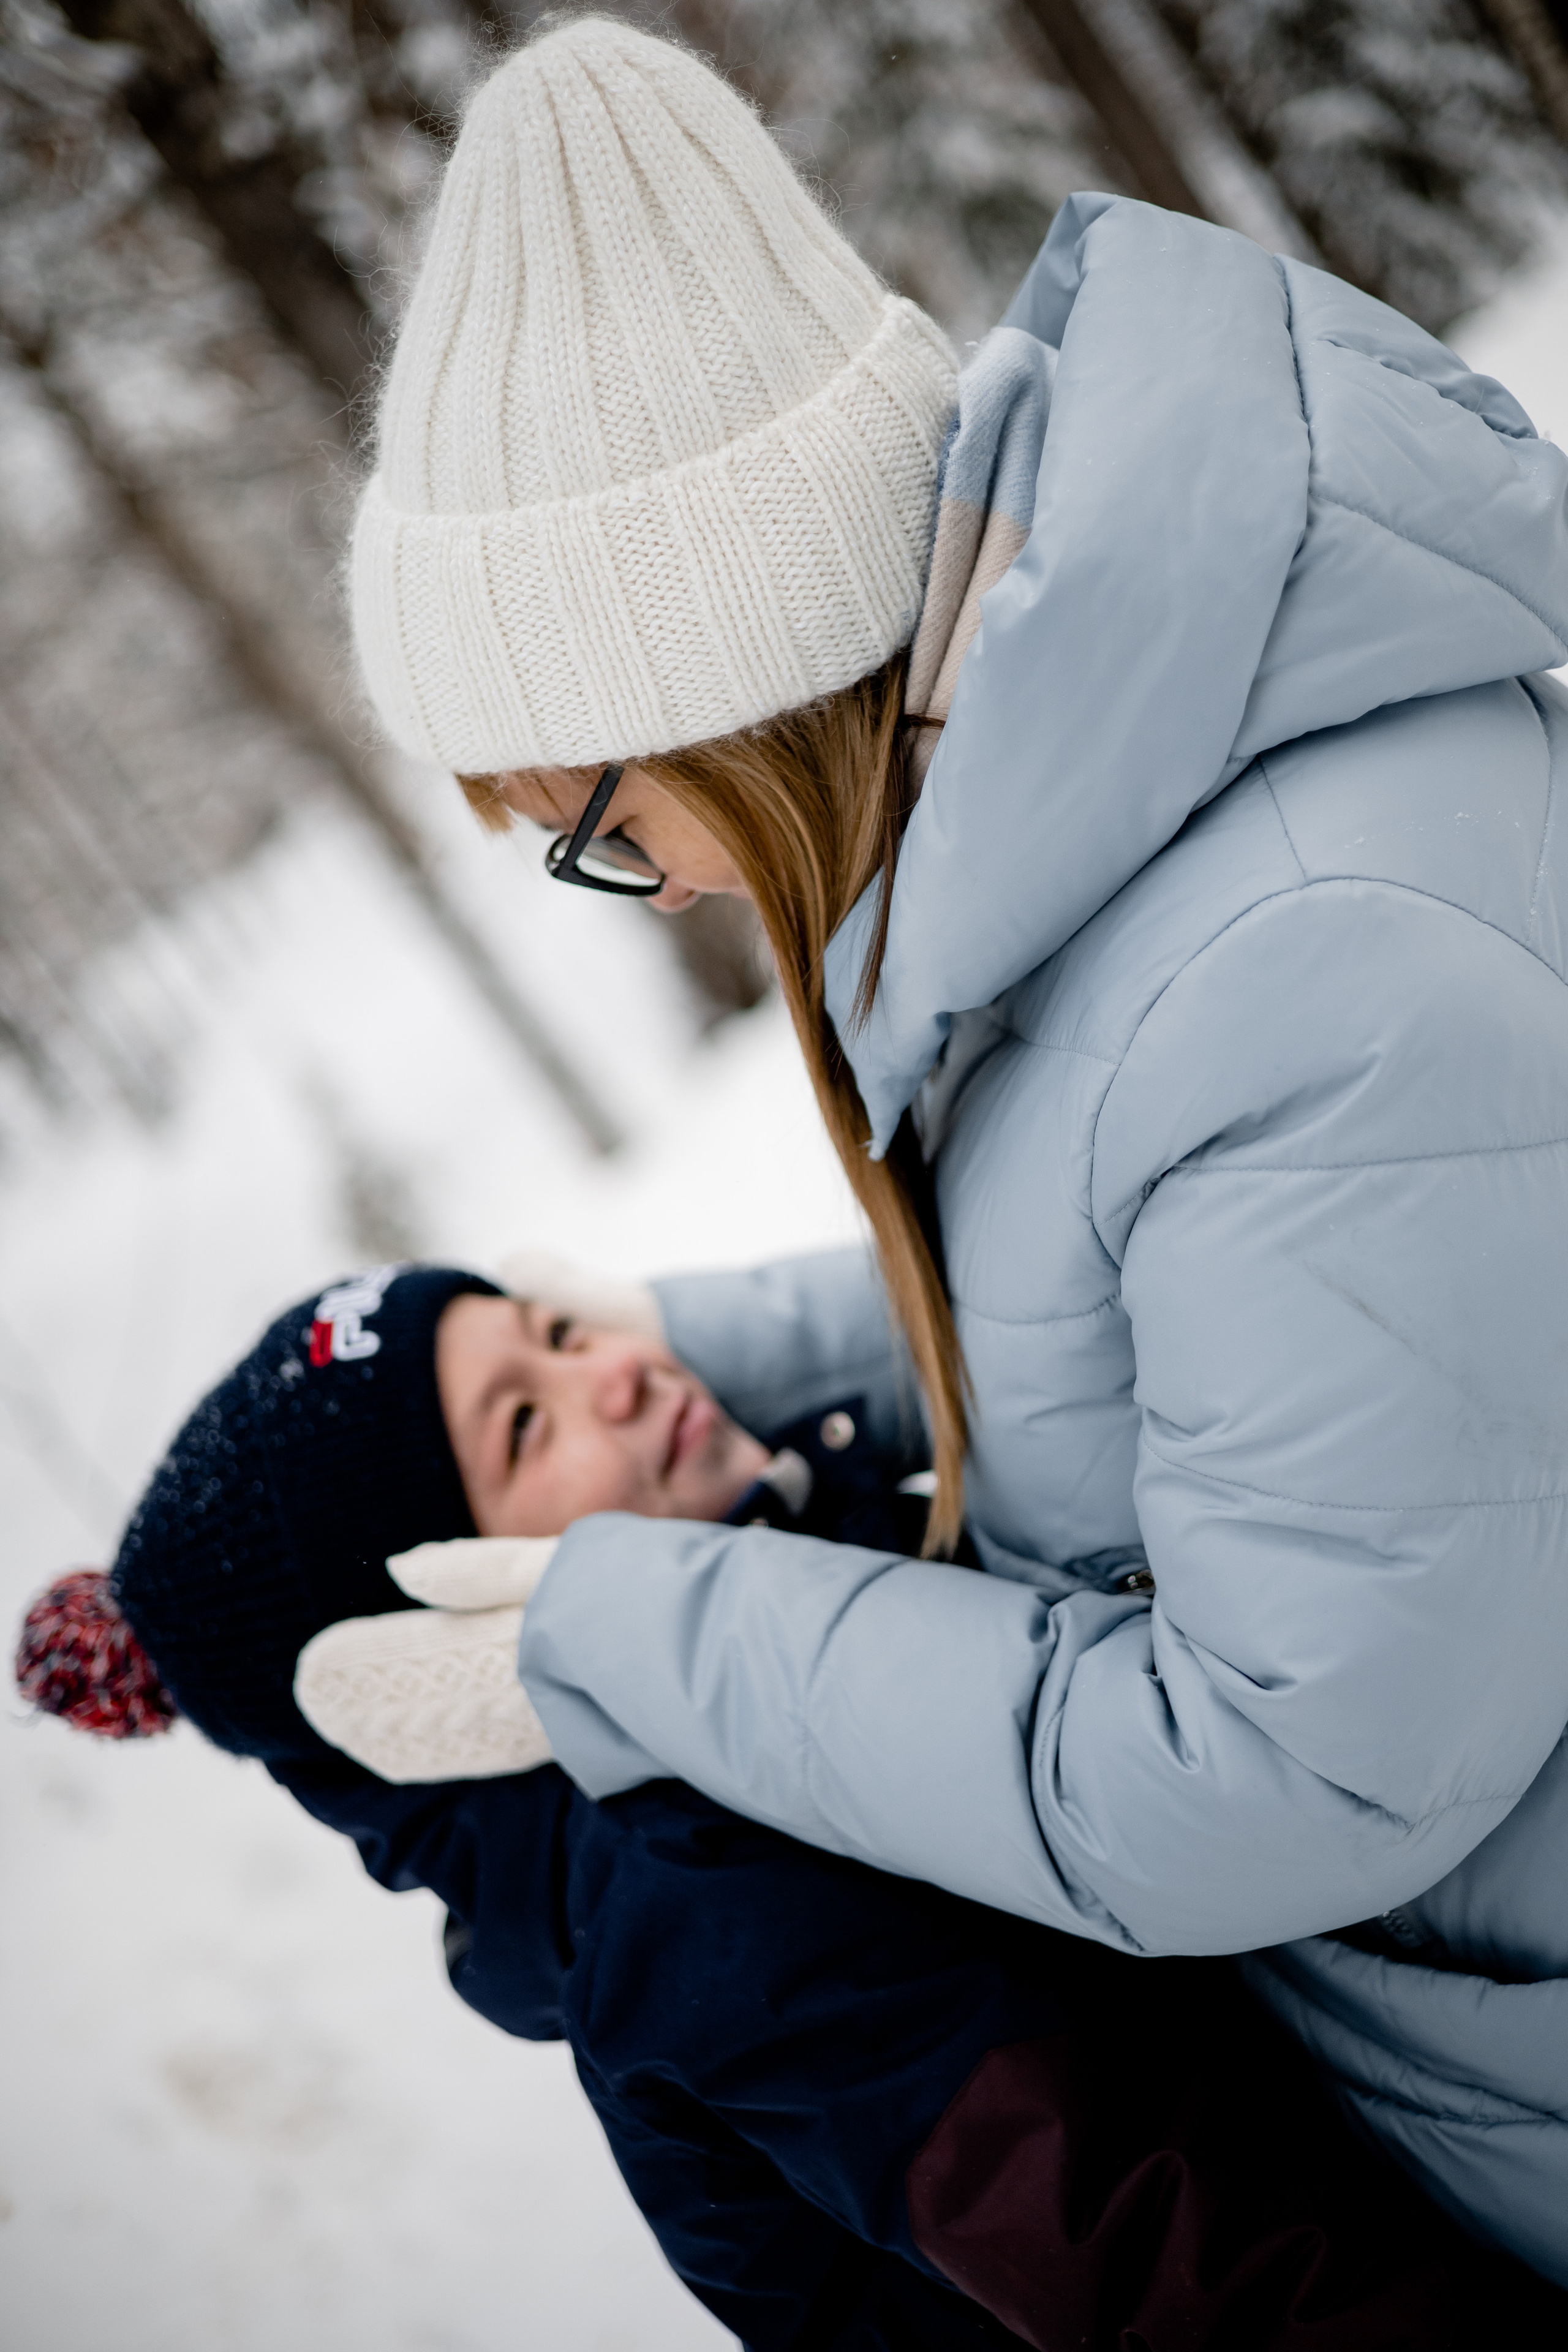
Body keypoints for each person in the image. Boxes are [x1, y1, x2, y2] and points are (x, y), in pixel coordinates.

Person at [346, 14, 1568, 2289]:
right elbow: (1118, 1288)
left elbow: (1282, 1779)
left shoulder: (1288, 965)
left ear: (730, 693)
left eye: (601, 829)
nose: (661, 895)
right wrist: (634, 1343)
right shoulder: (1109, 837)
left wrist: (650, 1621)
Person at [17, 1261, 1557, 2350]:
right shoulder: (704, 1906)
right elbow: (1191, 2270)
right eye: (524, 1426)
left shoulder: (786, 1636)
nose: (614, 1366)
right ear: (439, 1631)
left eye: (556, 1328)